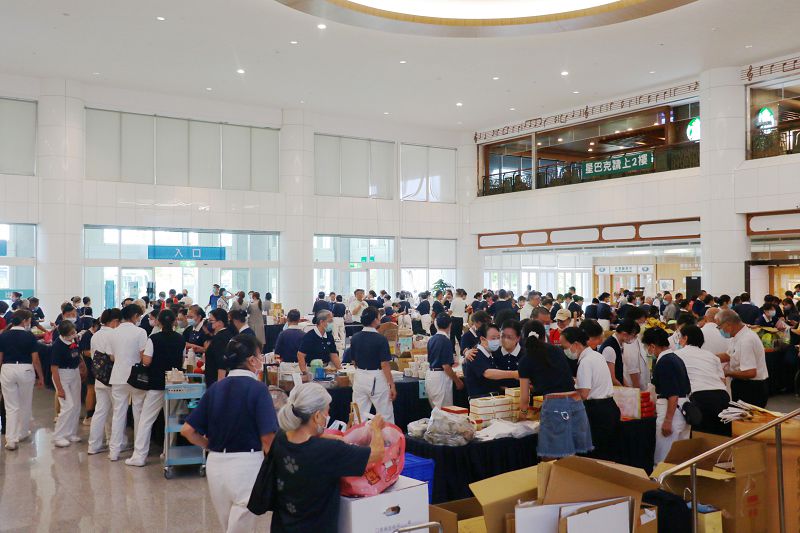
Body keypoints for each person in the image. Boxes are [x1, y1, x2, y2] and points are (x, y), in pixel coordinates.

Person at [181, 335, 277, 533]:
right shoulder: (258, 389)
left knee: (228, 526)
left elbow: (187, 430)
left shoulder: (215, 388)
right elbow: (268, 437)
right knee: (241, 526)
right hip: (246, 465)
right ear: (252, 360)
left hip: (216, 465)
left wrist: (208, 445)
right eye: (259, 355)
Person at [270, 383, 385, 533]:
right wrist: (376, 429)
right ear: (317, 416)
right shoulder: (327, 451)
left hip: (283, 525)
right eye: (327, 411)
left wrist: (340, 439)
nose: (327, 416)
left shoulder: (282, 437)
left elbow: (312, 436)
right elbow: (377, 453)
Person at [520, 321, 590, 459]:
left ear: (523, 338)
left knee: (550, 456)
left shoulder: (525, 360)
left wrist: (522, 416)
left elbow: (524, 398)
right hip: (575, 404)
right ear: (544, 336)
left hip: (555, 406)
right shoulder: (557, 351)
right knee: (570, 456)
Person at [126, 309, 185, 467]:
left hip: (156, 383)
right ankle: (167, 452)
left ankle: (139, 456)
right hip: (174, 383)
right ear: (174, 321)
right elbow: (182, 360)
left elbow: (147, 361)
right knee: (171, 420)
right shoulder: (180, 339)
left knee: (146, 420)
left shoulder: (154, 339)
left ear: (158, 322)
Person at [561, 326, 619, 462]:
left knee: (594, 457)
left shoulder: (585, 362)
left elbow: (584, 394)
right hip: (609, 407)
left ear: (576, 344)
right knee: (606, 455)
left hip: (596, 412)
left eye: (565, 346)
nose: (565, 351)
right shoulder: (597, 356)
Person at [643, 327, 692, 465]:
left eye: (647, 347)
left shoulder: (665, 362)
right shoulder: (676, 358)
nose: (648, 350)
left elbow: (672, 394)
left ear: (653, 346)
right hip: (682, 409)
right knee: (679, 460)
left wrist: (668, 420)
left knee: (663, 459)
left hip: (671, 410)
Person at [108, 303, 148, 461]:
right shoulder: (140, 332)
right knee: (139, 413)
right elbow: (143, 356)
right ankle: (139, 451)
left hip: (118, 375)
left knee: (118, 413)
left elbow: (112, 356)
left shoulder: (113, 333)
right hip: (136, 377)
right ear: (135, 316)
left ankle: (114, 451)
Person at [676, 325, 731, 436]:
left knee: (701, 437)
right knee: (722, 436)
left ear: (685, 338)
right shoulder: (712, 356)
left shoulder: (676, 355)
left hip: (700, 396)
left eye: (679, 337)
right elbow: (723, 381)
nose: (678, 340)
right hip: (722, 396)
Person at [350, 307, 396, 423]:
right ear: (375, 320)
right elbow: (385, 364)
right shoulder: (381, 339)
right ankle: (387, 435)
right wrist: (391, 384)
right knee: (385, 414)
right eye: (379, 317)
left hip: (359, 376)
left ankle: (359, 434)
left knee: (359, 415)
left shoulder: (355, 338)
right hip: (376, 377)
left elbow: (354, 361)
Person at [717, 309, 769, 407]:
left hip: (751, 388)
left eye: (719, 327)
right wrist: (709, 358)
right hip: (743, 384)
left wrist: (727, 373)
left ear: (728, 324)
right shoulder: (737, 336)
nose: (719, 330)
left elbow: (750, 372)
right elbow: (730, 355)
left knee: (746, 416)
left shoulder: (746, 340)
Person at [87, 308, 122, 455]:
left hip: (99, 377)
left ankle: (93, 445)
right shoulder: (113, 335)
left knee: (100, 412)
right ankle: (115, 443)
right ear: (114, 321)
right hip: (113, 378)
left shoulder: (95, 335)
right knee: (116, 412)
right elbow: (113, 356)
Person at [50, 320, 87, 447]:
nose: (74, 334)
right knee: (68, 406)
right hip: (62, 374)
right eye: (71, 333)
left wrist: (82, 365)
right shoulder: (57, 346)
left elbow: (77, 354)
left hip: (75, 373)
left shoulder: (73, 340)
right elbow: (54, 368)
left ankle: (71, 432)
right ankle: (58, 435)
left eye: (74, 331)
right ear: (64, 334)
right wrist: (59, 389)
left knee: (76, 405)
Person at [463, 324, 519, 399]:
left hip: (493, 399)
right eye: (493, 338)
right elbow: (488, 373)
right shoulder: (474, 354)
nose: (497, 341)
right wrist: (514, 374)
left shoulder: (491, 354)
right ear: (482, 339)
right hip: (480, 401)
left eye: (498, 338)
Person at [426, 314, 464, 408]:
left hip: (430, 375)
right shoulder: (445, 340)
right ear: (450, 325)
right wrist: (457, 381)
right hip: (441, 377)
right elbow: (446, 366)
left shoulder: (431, 339)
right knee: (444, 411)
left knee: (436, 410)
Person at [297, 310, 341, 374]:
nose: (332, 323)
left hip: (327, 369)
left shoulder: (329, 336)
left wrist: (340, 370)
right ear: (321, 322)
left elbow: (333, 354)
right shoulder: (309, 336)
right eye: (330, 321)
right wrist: (304, 372)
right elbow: (300, 355)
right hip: (312, 369)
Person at [599, 320, 639, 386]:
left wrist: (627, 386)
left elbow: (619, 371)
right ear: (624, 334)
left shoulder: (619, 344)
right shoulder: (610, 349)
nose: (633, 338)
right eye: (633, 336)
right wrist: (624, 389)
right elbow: (611, 378)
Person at [622, 307, 651, 391]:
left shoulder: (636, 338)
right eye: (641, 323)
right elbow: (632, 368)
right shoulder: (629, 341)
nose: (643, 325)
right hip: (634, 387)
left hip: (642, 385)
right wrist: (637, 390)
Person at [205, 308, 235, 388]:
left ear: (220, 323)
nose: (209, 323)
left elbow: (221, 363)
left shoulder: (219, 338)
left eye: (211, 321)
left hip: (216, 380)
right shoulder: (227, 334)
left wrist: (219, 387)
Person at [79, 318, 100, 425]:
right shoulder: (87, 335)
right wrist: (100, 354)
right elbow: (85, 352)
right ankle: (89, 415)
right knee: (91, 389)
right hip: (89, 366)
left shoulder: (95, 334)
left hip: (96, 366)